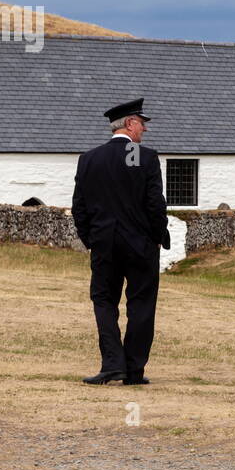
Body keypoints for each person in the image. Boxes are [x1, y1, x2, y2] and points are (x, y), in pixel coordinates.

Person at [71, 98, 170, 385]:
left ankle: (113, 364)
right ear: (129, 123)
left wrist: (91, 239)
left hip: (104, 244)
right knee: (141, 304)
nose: (145, 130)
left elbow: (80, 206)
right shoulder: (147, 158)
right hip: (140, 245)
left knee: (104, 301)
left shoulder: (89, 159)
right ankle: (134, 369)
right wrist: (156, 238)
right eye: (142, 123)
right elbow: (155, 205)